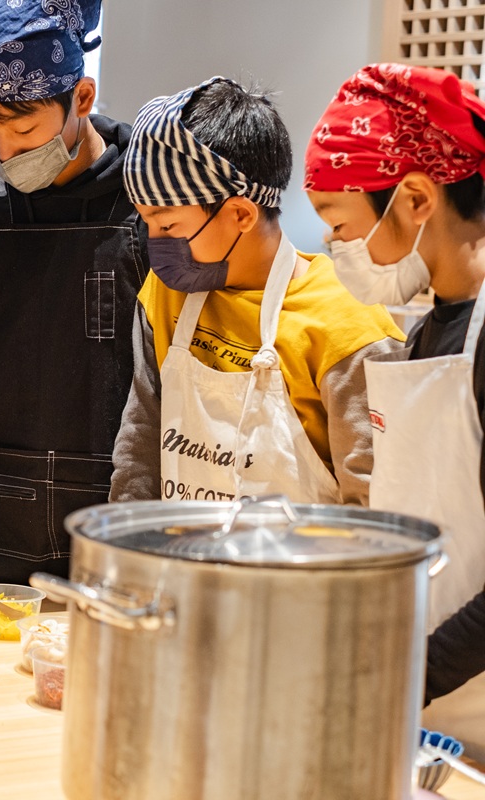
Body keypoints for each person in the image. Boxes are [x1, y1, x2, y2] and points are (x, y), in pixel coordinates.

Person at [0, 0, 146, 585]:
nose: (7, 155)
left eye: (25, 132)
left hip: (124, 528)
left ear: (83, 99)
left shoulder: (149, 207)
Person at [108, 78, 404, 506]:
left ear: (240, 214)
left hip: (300, 570)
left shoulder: (347, 324)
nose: (155, 244)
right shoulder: (165, 295)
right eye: (147, 224)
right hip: (178, 566)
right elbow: (140, 444)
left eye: (167, 225)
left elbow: (372, 500)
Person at [305, 62, 485, 756]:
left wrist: (407, 674)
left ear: (414, 199)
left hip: (453, 691)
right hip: (433, 709)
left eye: (338, 222)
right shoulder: (424, 332)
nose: (333, 246)